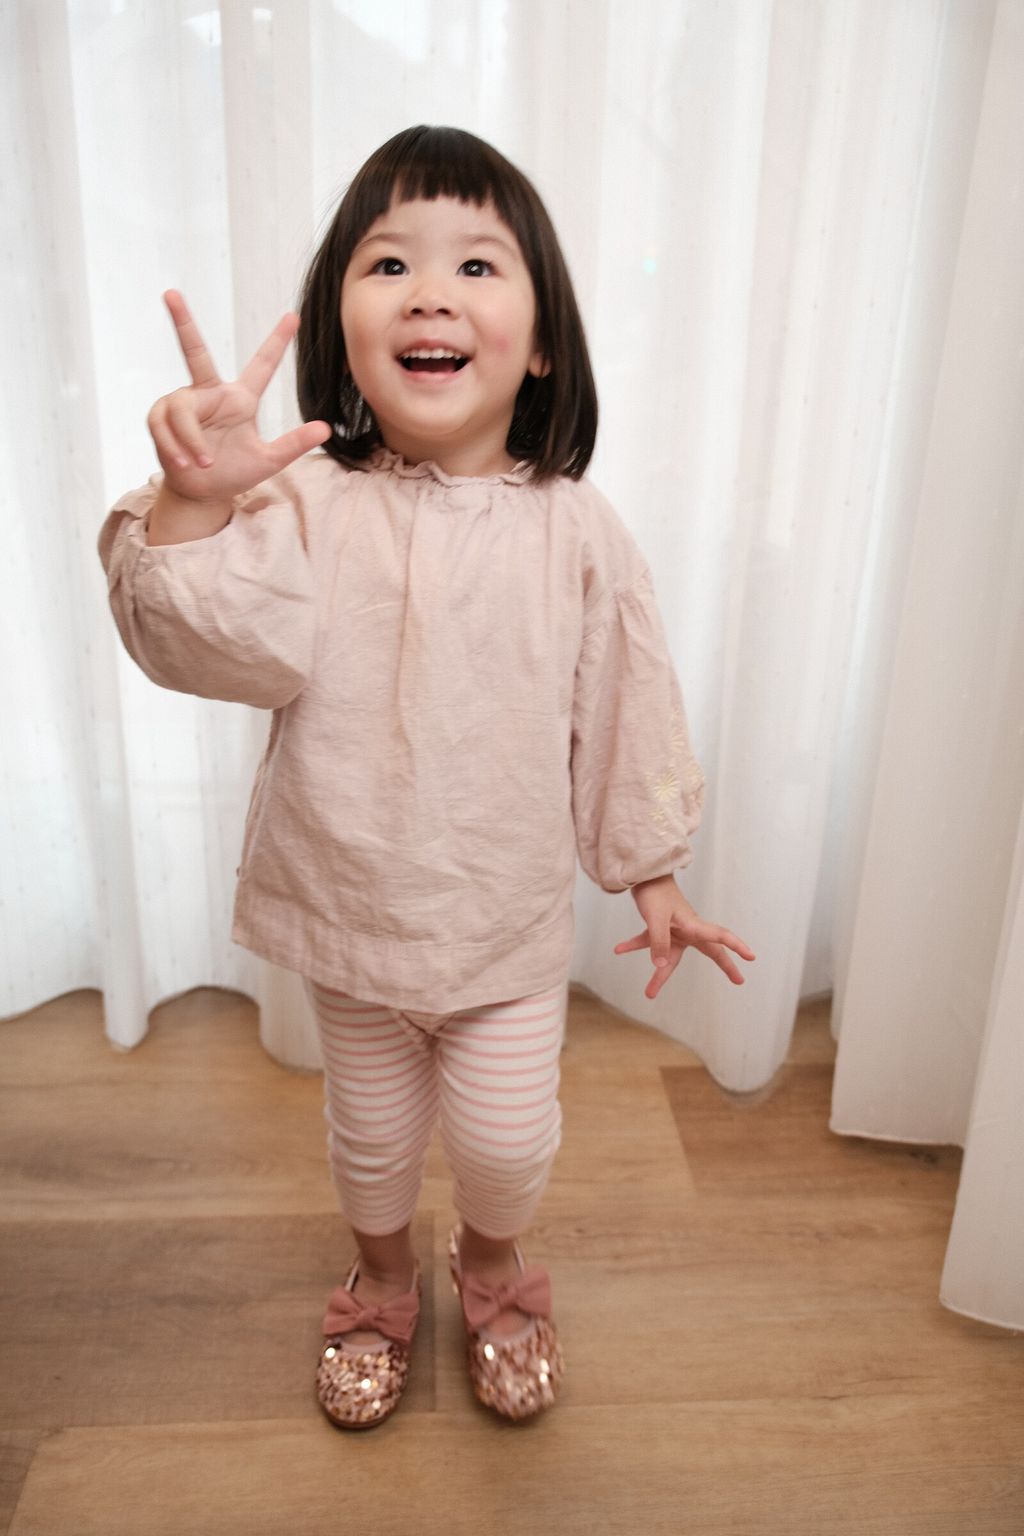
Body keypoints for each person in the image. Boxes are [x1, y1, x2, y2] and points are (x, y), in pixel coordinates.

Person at [97, 124, 756, 1430]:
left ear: (543, 340)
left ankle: (493, 1262)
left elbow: (625, 697)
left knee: (508, 1146)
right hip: (350, 917)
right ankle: (385, 1273)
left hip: (501, 926)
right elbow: (209, 643)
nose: (430, 294)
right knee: (372, 1146)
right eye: (389, 263)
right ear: (342, 332)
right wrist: (196, 504)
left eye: (476, 266)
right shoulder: (303, 507)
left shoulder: (576, 527)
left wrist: (654, 872)